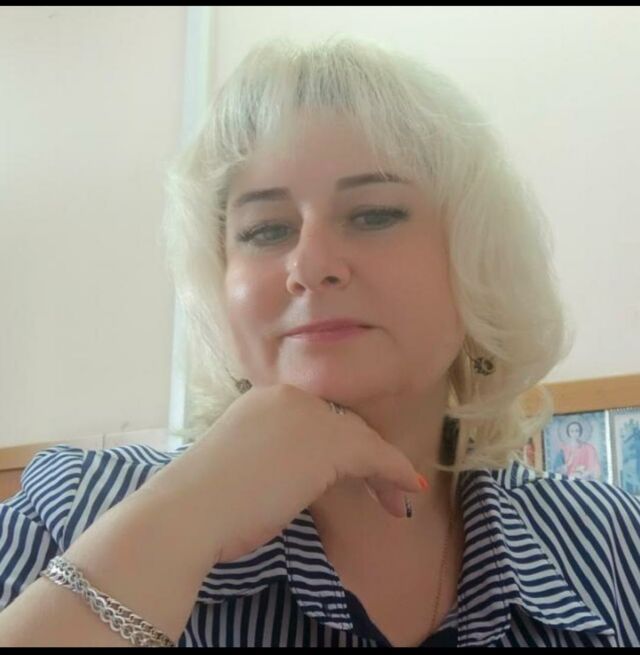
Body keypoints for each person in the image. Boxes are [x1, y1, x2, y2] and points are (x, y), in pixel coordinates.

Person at [1, 36, 639, 648]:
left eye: (374, 214)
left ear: (479, 261)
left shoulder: (615, 546)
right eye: (266, 229)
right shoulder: (72, 510)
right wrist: (178, 521)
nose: (307, 265)